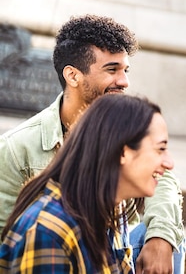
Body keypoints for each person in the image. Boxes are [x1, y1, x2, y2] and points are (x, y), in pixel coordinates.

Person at [0, 14, 185, 273]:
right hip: (53, 247)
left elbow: (163, 179)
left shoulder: (123, 125)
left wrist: (161, 237)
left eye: (125, 70)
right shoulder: (15, 147)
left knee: (166, 233)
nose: (124, 81)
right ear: (73, 76)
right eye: (112, 70)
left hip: (113, 242)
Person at [0, 93, 173, 272]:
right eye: (160, 149)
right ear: (123, 152)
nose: (169, 163)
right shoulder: (49, 231)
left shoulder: (104, 210)